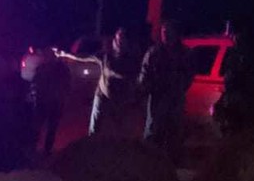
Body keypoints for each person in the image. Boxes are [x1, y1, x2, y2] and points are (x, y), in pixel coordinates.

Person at [58, 27, 140, 137]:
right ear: (115, 40)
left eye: (123, 39)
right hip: (102, 94)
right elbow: (84, 57)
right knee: (94, 129)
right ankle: (91, 147)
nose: (120, 41)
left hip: (119, 98)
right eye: (118, 38)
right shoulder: (106, 55)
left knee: (118, 130)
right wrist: (65, 54)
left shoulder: (129, 59)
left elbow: (134, 77)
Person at [138, 20, 194, 159]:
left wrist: (179, 87)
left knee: (174, 132)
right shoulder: (154, 52)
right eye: (164, 32)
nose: (166, 35)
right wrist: (147, 88)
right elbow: (144, 74)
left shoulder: (184, 53)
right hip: (158, 97)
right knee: (153, 131)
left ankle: (171, 164)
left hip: (175, 98)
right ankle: (149, 162)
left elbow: (189, 74)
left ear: (175, 33)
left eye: (169, 32)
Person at [31, 45, 72, 157]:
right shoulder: (41, 68)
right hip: (43, 101)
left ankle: (46, 150)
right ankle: (34, 149)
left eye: (49, 55)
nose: (47, 57)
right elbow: (35, 84)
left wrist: (64, 97)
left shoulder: (61, 68)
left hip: (55, 102)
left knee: (51, 127)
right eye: (46, 55)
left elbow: (67, 84)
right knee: (38, 127)